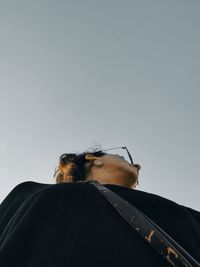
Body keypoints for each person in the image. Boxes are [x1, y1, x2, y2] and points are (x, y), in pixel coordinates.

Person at [0, 146, 200, 267]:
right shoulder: (29, 193)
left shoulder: (176, 211)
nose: (138, 165)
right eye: (124, 157)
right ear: (92, 158)